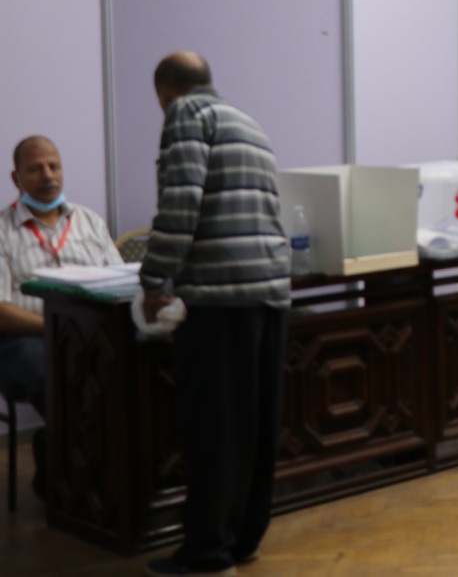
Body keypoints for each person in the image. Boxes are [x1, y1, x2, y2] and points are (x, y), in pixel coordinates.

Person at [140, 52, 291, 577]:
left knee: (214, 430)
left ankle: (207, 554)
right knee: (254, 428)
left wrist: (154, 278)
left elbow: (180, 204)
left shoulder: (186, 114)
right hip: (267, 293)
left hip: (219, 297)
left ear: (164, 93)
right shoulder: (248, 123)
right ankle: (242, 539)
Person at [0, 135, 122, 498]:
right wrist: (56, 328)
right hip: (25, 339)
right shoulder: (3, 231)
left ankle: (83, 462)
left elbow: (120, 283)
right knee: (61, 376)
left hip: (94, 333)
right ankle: (76, 476)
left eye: (54, 166)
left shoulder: (89, 222)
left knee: (132, 369)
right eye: (35, 169)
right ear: (16, 178)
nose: (48, 175)